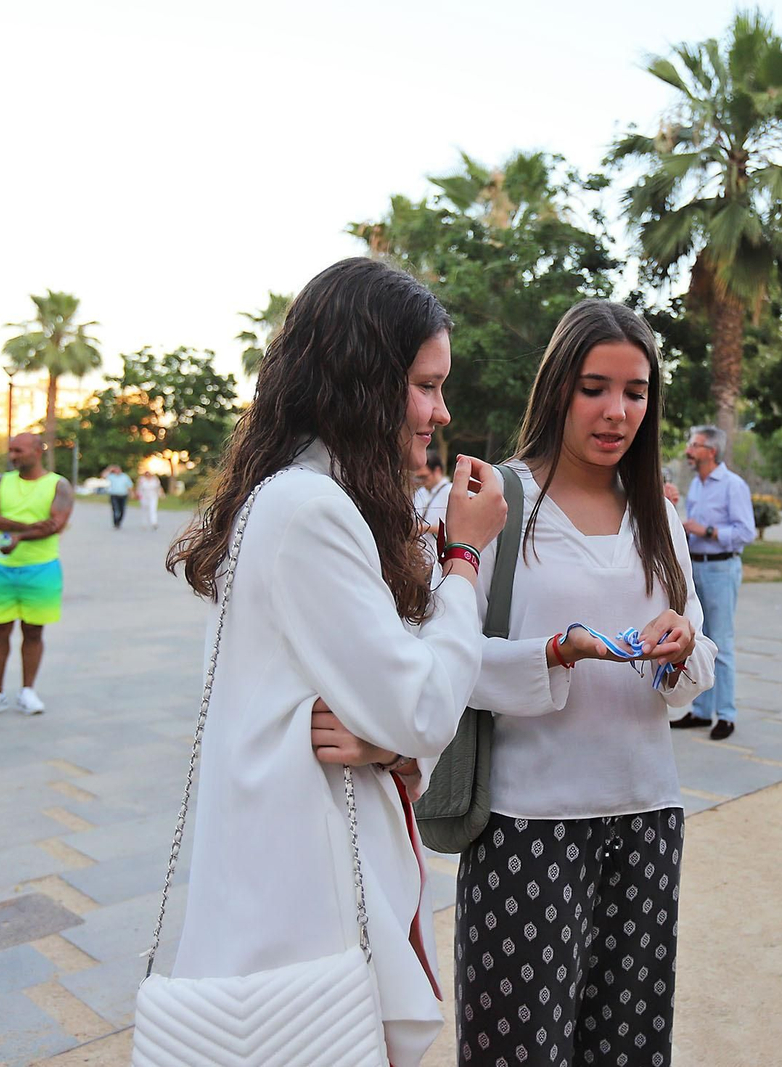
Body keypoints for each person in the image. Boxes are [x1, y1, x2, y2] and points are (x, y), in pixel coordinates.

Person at [164, 257, 506, 1067]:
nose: (440, 411)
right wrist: (463, 558)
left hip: (281, 876)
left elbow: (378, 703)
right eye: (425, 385)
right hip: (304, 895)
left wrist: (387, 742)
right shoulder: (311, 506)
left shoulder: (292, 495)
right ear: (364, 380)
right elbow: (419, 705)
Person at [447, 299, 716, 1066]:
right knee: (518, 1048)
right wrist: (556, 654)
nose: (616, 412)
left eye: (635, 392)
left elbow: (693, 673)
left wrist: (681, 644)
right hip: (525, 823)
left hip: (646, 816)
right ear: (558, 386)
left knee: (629, 1046)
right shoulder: (494, 503)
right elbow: (446, 659)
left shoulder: (658, 515)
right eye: (595, 387)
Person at [0, 434, 74, 717]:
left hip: (42, 569)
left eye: (18, 450)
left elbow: (56, 525)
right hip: (1, 568)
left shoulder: (58, 485)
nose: (13, 456)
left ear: (38, 451)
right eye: (10, 451)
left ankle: (27, 691)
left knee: (33, 631)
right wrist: (25, 528)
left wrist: (19, 537)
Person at [666, 423, 753, 740]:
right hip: (695, 568)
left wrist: (707, 531)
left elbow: (745, 533)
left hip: (720, 570)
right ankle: (701, 712)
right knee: (697, 638)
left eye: (695, 444)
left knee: (722, 642)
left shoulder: (733, 485)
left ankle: (726, 715)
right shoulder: (698, 486)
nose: (689, 450)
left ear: (711, 451)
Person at [103, 464, 133, 528]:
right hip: (114, 495)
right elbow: (103, 476)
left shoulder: (125, 477)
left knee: (122, 510)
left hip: (123, 495)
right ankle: (115, 522)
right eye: (115, 470)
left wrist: (131, 493)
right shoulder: (111, 476)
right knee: (115, 509)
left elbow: (129, 486)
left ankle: (119, 521)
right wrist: (109, 469)